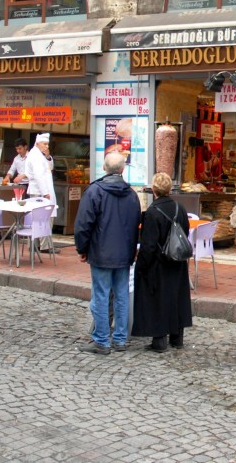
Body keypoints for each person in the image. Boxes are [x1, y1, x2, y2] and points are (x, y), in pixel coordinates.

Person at [75, 152, 141, 355]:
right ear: (122, 169)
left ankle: (102, 340)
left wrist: (82, 248)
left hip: (101, 251)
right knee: (121, 295)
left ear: (104, 168)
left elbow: (83, 224)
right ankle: (120, 339)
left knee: (101, 296)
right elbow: (135, 224)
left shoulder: (95, 191)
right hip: (123, 253)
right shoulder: (131, 194)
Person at [133, 172, 192, 352]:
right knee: (176, 297)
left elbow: (148, 245)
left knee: (159, 298)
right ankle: (177, 337)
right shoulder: (179, 208)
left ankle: (159, 340)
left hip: (160, 263)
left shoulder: (152, 212)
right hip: (177, 259)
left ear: (154, 190)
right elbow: (185, 231)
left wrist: (141, 266)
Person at [24, 133, 57, 252]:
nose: (46, 146)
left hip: (42, 190)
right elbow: (38, 176)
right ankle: (44, 246)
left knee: (38, 219)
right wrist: (45, 193)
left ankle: (35, 245)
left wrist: (48, 157)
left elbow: (50, 168)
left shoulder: (40, 155)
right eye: (44, 144)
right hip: (40, 191)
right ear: (37, 144)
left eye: (47, 144)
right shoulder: (35, 156)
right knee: (44, 218)